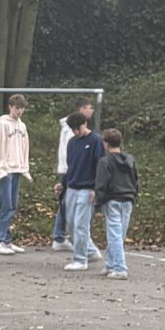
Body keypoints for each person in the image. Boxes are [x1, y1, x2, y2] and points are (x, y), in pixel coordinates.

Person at [51, 95, 96, 247]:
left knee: (67, 204)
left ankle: (61, 236)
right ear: (82, 109)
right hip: (70, 170)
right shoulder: (72, 131)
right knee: (66, 205)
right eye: (90, 107)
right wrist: (66, 171)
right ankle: (59, 236)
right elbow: (69, 152)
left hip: (69, 169)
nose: (92, 110)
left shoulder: (73, 129)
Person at [62, 111, 105, 270]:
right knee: (72, 223)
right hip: (72, 187)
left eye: (78, 128)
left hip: (87, 189)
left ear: (85, 124)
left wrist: (96, 188)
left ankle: (80, 259)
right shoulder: (72, 142)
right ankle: (91, 250)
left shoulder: (96, 141)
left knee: (81, 224)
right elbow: (71, 165)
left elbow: (100, 166)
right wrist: (63, 183)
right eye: (73, 129)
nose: (76, 132)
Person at [94, 126, 138, 279]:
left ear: (106, 144)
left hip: (112, 199)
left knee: (114, 234)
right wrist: (134, 196)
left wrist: (97, 204)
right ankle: (110, 264)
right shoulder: (130, 160)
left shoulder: (104, 162)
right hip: (128, 199)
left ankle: (120, 268)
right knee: (119, 234)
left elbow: (101, 184)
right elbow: (135, 179)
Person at [0, 93, 30, 252]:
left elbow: (25, 148)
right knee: (4, 204)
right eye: (17, 108)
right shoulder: (2, 124)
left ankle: (6, 239)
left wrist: (24, 167)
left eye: (22, 109)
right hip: (5, 169)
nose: (19, 111)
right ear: (10, 107)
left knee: (12, 204)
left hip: (17, 169)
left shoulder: (22, 126)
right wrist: (0, 167)